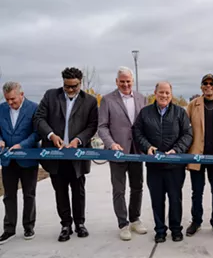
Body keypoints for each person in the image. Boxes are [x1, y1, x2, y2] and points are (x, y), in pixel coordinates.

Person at [33, 67, 98, 242]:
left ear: (80, 83)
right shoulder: (50, 96)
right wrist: (51, 136)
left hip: (77, 154)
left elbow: (92, 126)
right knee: (60, 191)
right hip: (56, 154)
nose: (70, 90)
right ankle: (65, 225)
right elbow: (39, 118)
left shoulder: (90, 101)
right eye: (66, 86)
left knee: (79, 191)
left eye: (74, 86)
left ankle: (80, 223)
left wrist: (78, 140)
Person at [134, 82, 193, 243]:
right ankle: (160, 230)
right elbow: (137, 132)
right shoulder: (145, 113)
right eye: (161, 92)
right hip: (154, 166)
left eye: (167, 93)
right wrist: (147, 147)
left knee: (175, 199)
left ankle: (176, 229)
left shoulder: (180, 112)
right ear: (155, 92)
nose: (164, 95)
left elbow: (187, 134)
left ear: (171, 94)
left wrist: (177, 150)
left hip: (175, 166)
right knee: (157, 200)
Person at [98, 66, 147, 241]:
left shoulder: (142, 98)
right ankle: (123, 224)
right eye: (122, 81)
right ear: (117, 82)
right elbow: (102, 126)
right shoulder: (107, 100)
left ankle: (135, 219)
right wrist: (111, 144)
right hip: (117, 152)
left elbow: (144, 124)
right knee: (119, 189)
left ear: (132, 81)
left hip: (136, 151)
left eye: (128, 81)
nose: (126, 84)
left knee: (137, 186)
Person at [186, 74, 213, 238]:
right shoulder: (192, 105)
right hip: (197, 155)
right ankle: (196, 221)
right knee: (197, 191)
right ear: (201, 87)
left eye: (212, 84)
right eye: (205, 83)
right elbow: (184, 129)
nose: (208, 86)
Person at [0, 82, 39, 244]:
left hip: (28, 159)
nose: (10, 102)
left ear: (21, 95)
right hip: (8, 159)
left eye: (13, 99)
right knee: (9, 195)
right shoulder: (1, 109)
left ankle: (28, 226)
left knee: (29, 194)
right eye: (7, 99)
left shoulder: (34, 108)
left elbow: (37, 133)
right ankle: (9, 229)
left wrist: (22, 145)